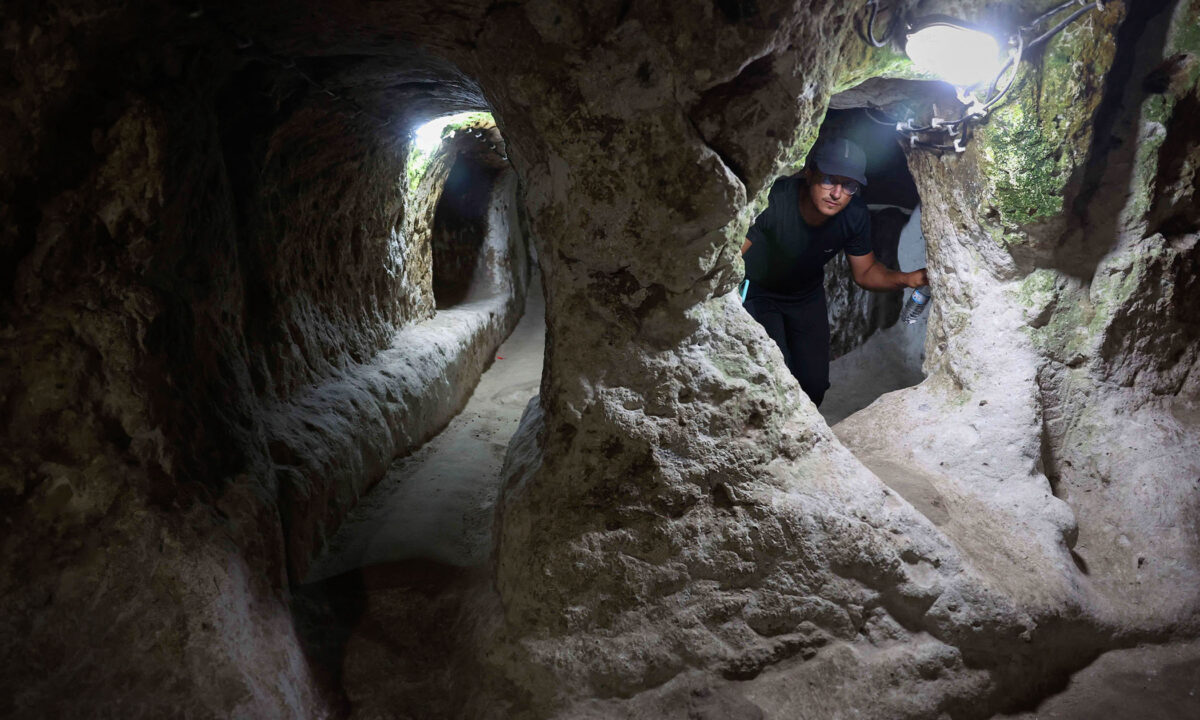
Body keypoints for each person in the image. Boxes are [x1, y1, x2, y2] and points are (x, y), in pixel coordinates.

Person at [740, 137, 928, 407]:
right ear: (809, 174)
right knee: (774, 376)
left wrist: (907, 279)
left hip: (805, 297)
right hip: (758, 294)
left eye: (848, 185)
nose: (836, 193)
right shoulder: (775, 200)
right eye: (829, 179)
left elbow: (866, 272)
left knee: (814, 385)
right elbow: (733, 255)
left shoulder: (854, 215)